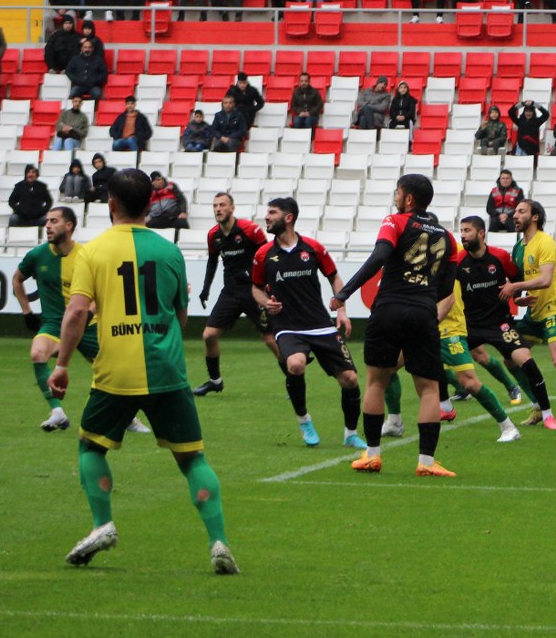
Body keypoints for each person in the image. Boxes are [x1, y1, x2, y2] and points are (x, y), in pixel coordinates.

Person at [47, 169, 236, 574]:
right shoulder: (170, 252)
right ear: (150, 204)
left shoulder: (92, 252)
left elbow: (77, 312)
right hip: (166, 369)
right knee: (192, 458)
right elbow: (181, 316)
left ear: (111, 203)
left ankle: (103, 524)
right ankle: (218, 540)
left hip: (116, 371)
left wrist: (61, 365)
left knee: (90, 447)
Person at [332, 174, 460, 477]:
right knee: (429, 389)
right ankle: (426, 462)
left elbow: (379, 256)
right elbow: (446, 289)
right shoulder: (448, 238)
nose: (396, 197)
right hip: (423, 312)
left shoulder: (395, 221)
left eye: (398, 192)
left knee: (376, 381)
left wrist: (344, 293)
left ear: (409, 199)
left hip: (388, 308)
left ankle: (372, 456)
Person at [250, 197, 365, 450]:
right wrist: (265, 302)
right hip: (288, 326)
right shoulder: (263, 254)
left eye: (272, 212)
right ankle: (305, 422)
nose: (267, 217)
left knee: (350, 379)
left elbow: (335, 278)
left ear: (288, 217)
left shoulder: (313, 248)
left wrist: (342, 310)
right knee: (295, 364)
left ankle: (351, 434)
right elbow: (256, 288)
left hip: (320, 324)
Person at [447, 217, 548, 435]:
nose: (462, 235)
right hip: (469, 326)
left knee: (523, 360)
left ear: (481, 233)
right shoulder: (458, 261)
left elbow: (516, 278)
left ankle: (542, 409)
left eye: (467, 230)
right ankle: (445, 404)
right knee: (441, 358)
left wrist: (516, 294)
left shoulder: (500, 256)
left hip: (499, 324)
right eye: (461, 230)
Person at [13, 206, 101, 432]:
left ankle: (126, 416)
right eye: (47, 222)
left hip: (88, 325)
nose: (47, 226)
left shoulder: (87, 255)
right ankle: (57, 412)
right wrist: (26, 312)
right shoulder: (37, 255)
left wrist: (89, 312)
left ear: (69, 226)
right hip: (54, 324)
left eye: (53, 221)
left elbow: (102, 290)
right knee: (37, 353)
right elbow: (17, 279)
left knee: (113, 371)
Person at [500, 199, 556, 430]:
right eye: (514, 212)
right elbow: (518, 282)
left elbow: (546, 280)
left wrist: (515, 288)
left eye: (521, 211)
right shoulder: (519, 247)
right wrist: (518, 298)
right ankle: (538, 406)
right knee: (510, 357)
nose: (515, 215)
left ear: (535, 217)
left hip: (553, 310)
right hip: (533, 312)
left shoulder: (544, 241)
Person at [192, 192, 281, 397]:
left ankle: (293, 378)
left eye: (222, 205)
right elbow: (212, 262)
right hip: (231, 291)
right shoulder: (213, 235)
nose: (218, 209)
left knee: (269, 339)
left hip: (254, 290)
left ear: (232, 208)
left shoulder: (250, 229)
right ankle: (215, 381)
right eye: (215, 206)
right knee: (209, 336)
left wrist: (267, 285)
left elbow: (267, 255)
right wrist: (205, 289)